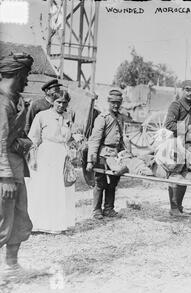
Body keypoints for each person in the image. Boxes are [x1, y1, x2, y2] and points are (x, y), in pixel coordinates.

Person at [0, 52, 34, 273]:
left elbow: (15, 135)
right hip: (5, 171)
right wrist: (5, 177)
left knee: (20, 216)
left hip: (16, 167)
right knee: (2, 221)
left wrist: (23, 142)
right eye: (27, 74)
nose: (28, 80)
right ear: (18, 73)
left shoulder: (17, 100)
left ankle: (12, 266)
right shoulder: (2, 102)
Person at [26, 90, 77, 233]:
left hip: (62, 155)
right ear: (52, 101)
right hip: (46, 155)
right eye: (58, 102)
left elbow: (70, 137)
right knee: (44, 188)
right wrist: (33, 158)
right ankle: (38, 223)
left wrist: (73, 148)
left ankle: (57, 224)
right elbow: (33, 139)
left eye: (64, 102)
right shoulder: (42, 116)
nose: (61, 105)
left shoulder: (68, 116)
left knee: (61, 189)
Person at [86, 89, 132, 219]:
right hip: (103, 154)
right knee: (100, 183)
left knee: (113, 182)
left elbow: (122, 137)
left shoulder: (120, 117)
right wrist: (91, 160)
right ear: (108, 102)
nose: (115, 105)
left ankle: (109, 208)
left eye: (118, 102)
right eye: (113, 102)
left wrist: (127, 153)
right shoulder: (103, 118)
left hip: (116, 154)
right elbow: (94, 140)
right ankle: (96, 210)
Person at [164, 80, 191, 217]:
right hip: (177, 145)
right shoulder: (176, 105)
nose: (190, 92)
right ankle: (173, 208)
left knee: (185, 176)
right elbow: (168, 124)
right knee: (175, 175)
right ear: (182, 90)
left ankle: (179, 206)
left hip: (190, 145)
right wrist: (186, 129)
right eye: (187, 89)